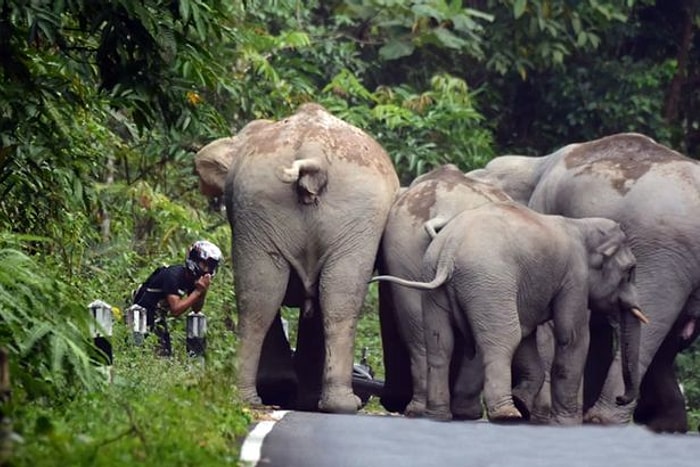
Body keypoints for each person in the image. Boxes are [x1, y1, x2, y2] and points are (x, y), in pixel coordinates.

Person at [131, 240, 222, 356]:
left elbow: (196, 309)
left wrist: (202, 290)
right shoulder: (173, 275)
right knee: (143, 355)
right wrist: (198, 291)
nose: (207, 270)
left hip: (158, 318)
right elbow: (176, 309)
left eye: (211, 267)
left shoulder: (191, 279)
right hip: (141, 318)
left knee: (165, 357)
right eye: (205, 265)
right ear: (195, 260)